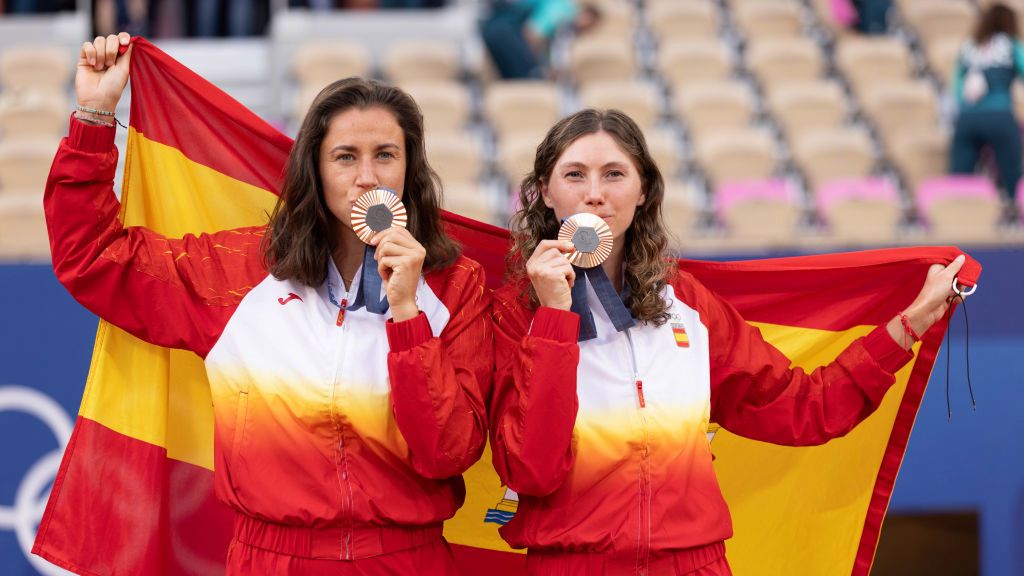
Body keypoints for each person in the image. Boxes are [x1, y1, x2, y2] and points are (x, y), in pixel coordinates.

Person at [47, 33, 492, 574]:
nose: (367, 177)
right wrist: (95, 117)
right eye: (345, 157)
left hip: (406, 559)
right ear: (315, 169)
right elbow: (93, 259)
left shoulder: (454, 286)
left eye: (386, 156)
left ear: (410, 170)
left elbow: (448, 453)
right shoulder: (236, 274)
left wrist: (407, 316)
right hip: (272, 560)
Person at [489, 108, 966, 575]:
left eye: (614, 173)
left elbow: (806, 408)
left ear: (643, 191)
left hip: (695, 563)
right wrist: (553, 316)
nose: (594, 195)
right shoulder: (514, 314)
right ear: (545, 193)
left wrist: (909, 325)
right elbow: (531, 470)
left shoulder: (690, 305)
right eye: (575, 175)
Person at [949, 2, 1024, 221]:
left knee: (960, 177)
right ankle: (1014, 218)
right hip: (999, 115)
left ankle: (960, 221)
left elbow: (957, 86)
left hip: (967, 118)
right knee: (1011, 173)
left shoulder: (969, 47)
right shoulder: (1011, 46)